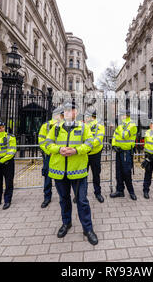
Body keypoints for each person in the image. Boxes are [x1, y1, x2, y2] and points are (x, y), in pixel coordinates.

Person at [44, 101, 98, 245]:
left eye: (72, 110)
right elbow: (47, 144)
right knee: (64, 200)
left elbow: (90, 143)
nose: (69, 112)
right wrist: (58, 150)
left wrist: (76, 150)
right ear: (63, 113)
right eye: (66, 110)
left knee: (82, 201)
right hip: (59, 171)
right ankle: (66, 223)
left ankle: (88, 229)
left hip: (78, 170)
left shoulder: (84, 127)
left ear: (76, 112)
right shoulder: (55, 128)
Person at [38, 106, 64, 208]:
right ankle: (47, 197)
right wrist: (49, 152)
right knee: (48, 177)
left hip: (62, 154)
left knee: (64, 177)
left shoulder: (66, 124)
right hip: (50, 155)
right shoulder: (47, 125)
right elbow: (41, 140)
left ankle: (64, 195)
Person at [110, 109, 138, 200]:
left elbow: (124, 135)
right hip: (119, 151)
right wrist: (114, 145)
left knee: (126, 172)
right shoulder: (121, 125)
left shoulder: (132, 125)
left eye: (122, 115)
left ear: (127, 115)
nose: (120, 117)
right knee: (119, 172)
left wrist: (117, 127)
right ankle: (120, 191)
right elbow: (115, 136)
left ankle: (131, 191)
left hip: (126, 152)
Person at [84, 107, 105, 203]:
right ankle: (81, 194)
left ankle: (98, 193)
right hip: (84, 154)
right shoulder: (83, 125)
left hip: (95, 154)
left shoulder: (99, 125)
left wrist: (87, 146)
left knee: (96, 175)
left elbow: (99, 139)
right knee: (83, 175)